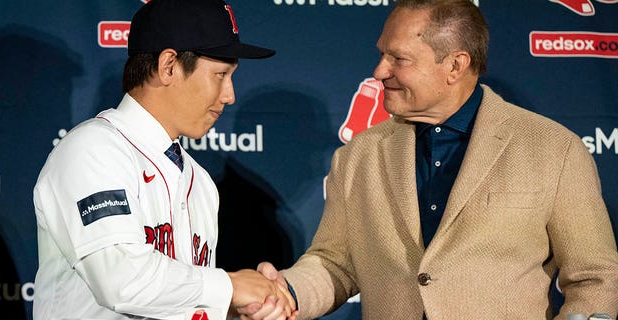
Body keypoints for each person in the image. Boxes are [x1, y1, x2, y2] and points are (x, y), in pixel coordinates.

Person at [245, 0, 618, 319]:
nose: (379, 72)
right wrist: (287, 292)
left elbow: (594, 278)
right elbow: (334, 263)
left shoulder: (553, 149)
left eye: (399, 59)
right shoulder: (359, 155)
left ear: (455, 66)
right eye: (381, 54)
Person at [32, 0, 296, 319]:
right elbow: (120, 282)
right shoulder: (92, 149)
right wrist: (231, 286)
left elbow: (178, 302)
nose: (230, 95)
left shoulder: (200, 181)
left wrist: (245, 309)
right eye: (220, 74)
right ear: (168, 66)